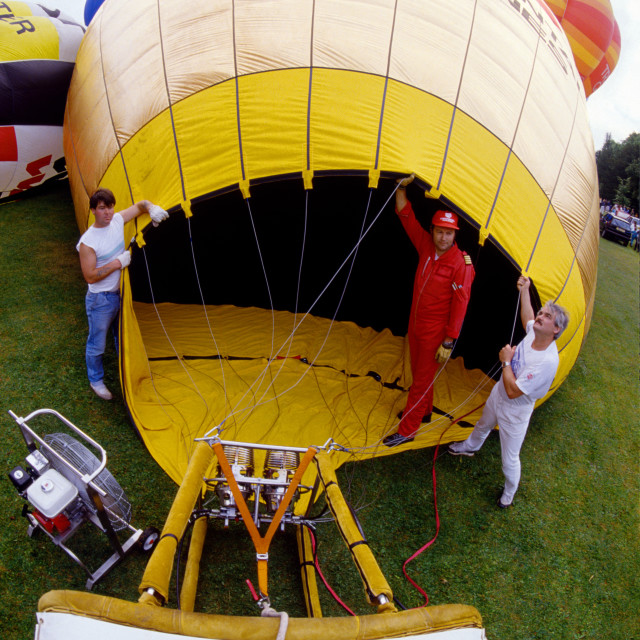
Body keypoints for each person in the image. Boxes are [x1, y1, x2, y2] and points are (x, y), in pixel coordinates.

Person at [448, 276, 569, 508]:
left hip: (515, 410)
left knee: (509, 459)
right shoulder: (537, 332)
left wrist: (506, 361)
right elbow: (528, 318)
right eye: (542, 312)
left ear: (556, 329)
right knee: (483, 423)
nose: (540, 317)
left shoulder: (547, 362)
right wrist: (525, 290)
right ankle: (471, 446)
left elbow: (514, 392)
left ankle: (509, 493)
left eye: (546, 316)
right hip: (499, 393)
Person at [383, 175, 475, 447]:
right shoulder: (426, 245)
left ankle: (408, 430)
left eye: (448, 233)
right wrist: (401, 187)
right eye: (439, 231)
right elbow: (405, 215)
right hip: (416, 324)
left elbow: (461, 303)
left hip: (436, 332)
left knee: (422, 379)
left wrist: (449, 340)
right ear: (433, 231)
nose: (443, 237)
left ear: (455, 234)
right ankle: (424, 411)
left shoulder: (461, 264)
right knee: (420, 373)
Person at [77, 188, 168, 400]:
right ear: (92, 211)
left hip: (121, 293)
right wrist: (118, 263)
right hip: (100, 299)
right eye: (102, 209)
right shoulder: (88, 243)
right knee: (97, 342)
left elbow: (139, 206)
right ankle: (96, 380)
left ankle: (126, 375)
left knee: (122, 337)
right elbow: (90, 276)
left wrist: (151, 208)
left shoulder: (117, 220)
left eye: (110, 207)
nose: (107, 213)